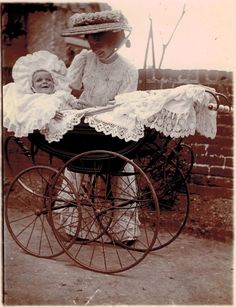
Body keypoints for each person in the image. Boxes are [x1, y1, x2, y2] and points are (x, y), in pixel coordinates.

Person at [58, 9, 141, 244]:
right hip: (83, 124)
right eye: (90, 39)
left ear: (115, 39)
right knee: (75, 164)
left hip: (109, 123)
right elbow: (67, 86)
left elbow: (123, 105)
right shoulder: (84, 59)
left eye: (100, 39)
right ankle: (74, 225)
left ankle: (124, 231)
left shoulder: (128, 70)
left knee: (122, 164)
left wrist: (102, 115)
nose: (94, 46)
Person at [3, 50, 82, 138]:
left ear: (54, 83)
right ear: (32, 87)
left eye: (48, 79)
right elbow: (31, 113)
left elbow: (76, 103)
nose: (44, 82)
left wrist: (82, 105)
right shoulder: (34, 99)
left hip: (72, 124)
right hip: (53, 128)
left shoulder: (61, 94)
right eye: (39, 80)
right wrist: (49, 114)